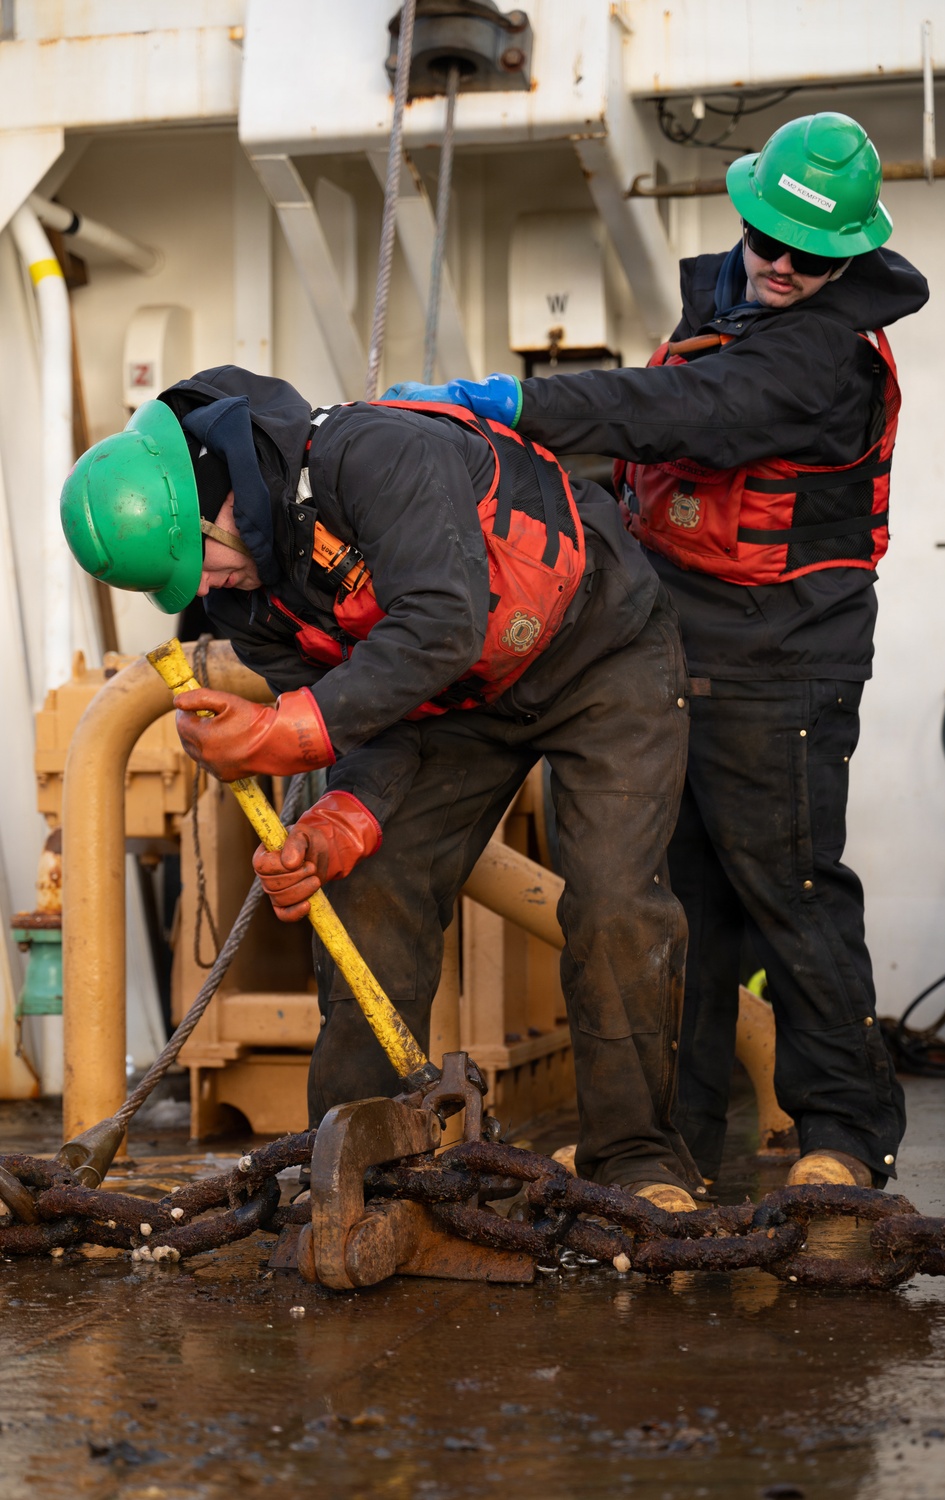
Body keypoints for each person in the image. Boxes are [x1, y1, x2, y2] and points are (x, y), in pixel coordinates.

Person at [383, 112, 930, 1189]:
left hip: (785, 668)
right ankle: (664, 1143)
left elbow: (682, 411)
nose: (777, 265)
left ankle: (843, 1135)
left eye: (809, 254)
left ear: (849, 255)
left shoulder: (818, 361)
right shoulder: (727, 309)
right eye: (765, 237)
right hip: (674, 653)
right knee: (681, 906)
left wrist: (512, 402)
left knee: (793, 893)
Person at [60, 365, 707, 1210]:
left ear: (219, 497)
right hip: (460, 706)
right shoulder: (252, 606)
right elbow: (378, 710)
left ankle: (637, 1162)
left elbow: (438, 623)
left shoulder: (372, 453)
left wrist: (285, 732)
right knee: (367, 890)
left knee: (616, 899)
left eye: (202, 562)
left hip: (602, 656)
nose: (206, 588)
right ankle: (355, 1171)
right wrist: (340, 821)